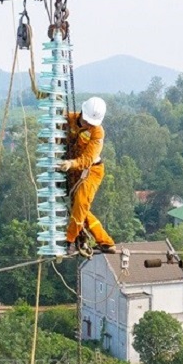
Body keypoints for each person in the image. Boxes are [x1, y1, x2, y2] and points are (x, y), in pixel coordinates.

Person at [58, 97, 116, 255]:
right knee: (80, 209)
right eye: (86, 121)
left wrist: (71, 163)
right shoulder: (70, 118)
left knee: (81, 203)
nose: (88, 124)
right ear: (82, 113)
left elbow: (88, 159)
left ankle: (70, 240)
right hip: (74, 170)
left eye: (91, 123)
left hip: (92, 170)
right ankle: (106, 242)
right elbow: (60, 118)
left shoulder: (97, 132)